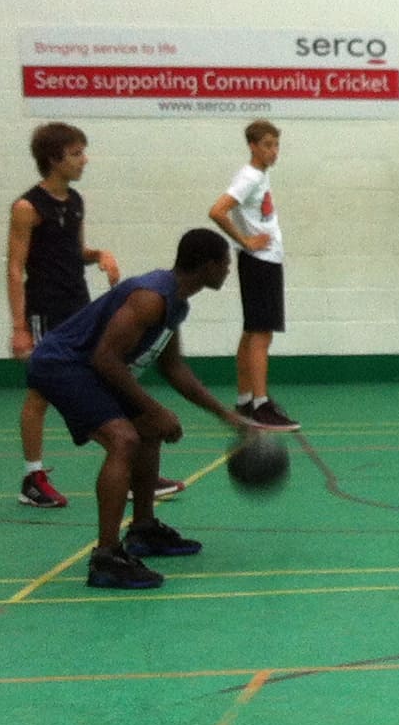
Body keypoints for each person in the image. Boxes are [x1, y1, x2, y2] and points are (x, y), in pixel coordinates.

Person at [25, 229, 250, 591]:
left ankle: (143, 530)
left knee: (149, 426)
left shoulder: (176, 302)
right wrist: (154, 407)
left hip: (87, 365)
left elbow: (174, 368)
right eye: (225, 263)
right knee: (124, 439)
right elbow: (106, 358)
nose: (227, 270)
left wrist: (228, 416)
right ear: (208, 265)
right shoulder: (151, 298)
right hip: (61, 365)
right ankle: (106, 558)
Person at [9, 123, 120, 507]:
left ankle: (131, 461)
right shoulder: (27, 208)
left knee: (100, 379)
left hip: (79, 306)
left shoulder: (74, 201)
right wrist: (20, 326)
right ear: (54, 159)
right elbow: (14, 267)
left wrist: (99, 255)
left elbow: (75, 250)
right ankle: (32, 477)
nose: (83, 159)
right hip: (44, 308)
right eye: (76, 153)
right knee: (41, 393)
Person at [209, 119, 296, 431]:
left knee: (252, 332)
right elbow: (217, 210)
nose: (274, 151)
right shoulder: (248, 177)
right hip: (259, 260)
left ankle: (245, 399)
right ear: (252, 146)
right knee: (262, 334)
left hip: (264, 260)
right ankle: (260, 404)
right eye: (267, 145)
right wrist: (245, 241)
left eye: (276, 145)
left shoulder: (260, 175)